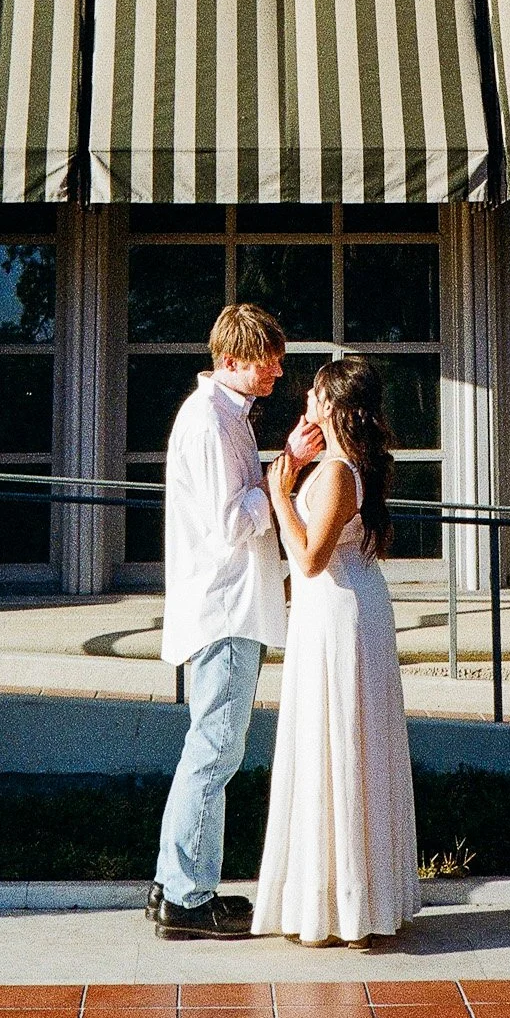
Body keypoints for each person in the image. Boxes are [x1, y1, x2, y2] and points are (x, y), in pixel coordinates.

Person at [150, 300, 322, 941]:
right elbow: (233, 520)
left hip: (225, 602)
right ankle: (187, 898)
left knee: (209, 748)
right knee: (215, 750)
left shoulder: (223, 417)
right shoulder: (214, 423)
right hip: (224, 606)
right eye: (266, 363)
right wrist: (289, 470)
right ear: (229, 362)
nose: (277, 372)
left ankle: (175, 883)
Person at [252, 354, 421, 947]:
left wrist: (279, 491)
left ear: (337, 407)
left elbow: (310, 557)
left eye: (316, 397)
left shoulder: (340, 473)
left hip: (339, 613)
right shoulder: (342, 468)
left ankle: (344, 908)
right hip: (337, 609)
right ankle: (344, 898)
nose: (306, 404)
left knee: (341, 745)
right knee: (337, 745)